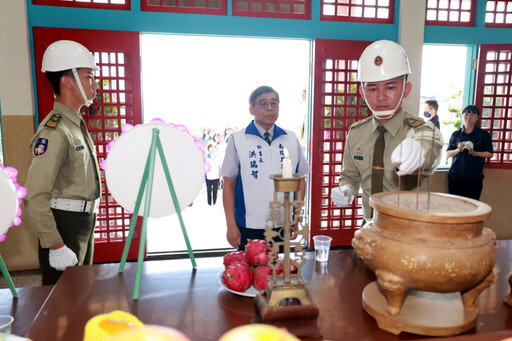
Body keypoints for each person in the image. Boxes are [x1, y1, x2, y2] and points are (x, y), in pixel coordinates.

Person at [330, 40, 443, 223]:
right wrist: (346, 189)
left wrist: (419, 151)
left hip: (410, 227)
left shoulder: (422, 130)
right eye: (372, 88)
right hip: (369, 225)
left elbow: (430, 145)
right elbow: (350, 176)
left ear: (406, 89)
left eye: (390, 87)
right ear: (362, 92)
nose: (381, 96)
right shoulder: (357, 132)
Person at [24, 40, 101, 285]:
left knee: (80, 296)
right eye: (89, 76)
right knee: (61, 302)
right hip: (64, 226)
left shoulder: (74, 124)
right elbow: (35, 195)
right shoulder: (54, 130)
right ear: (67, 81)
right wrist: (54, 244)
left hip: (82, 223)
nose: (94, 84)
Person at [221, 85, 310, 250]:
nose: (270, 107)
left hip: (282, 224)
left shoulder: (290, 138)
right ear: (251, 109)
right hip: (248, 224)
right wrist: (231, 225)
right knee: (250, 271)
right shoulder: (238, 140)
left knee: (279, 271)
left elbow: (301, 181)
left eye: (274, 103)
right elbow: (229, 184)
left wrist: (296, 218)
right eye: (263, 103)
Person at [446, 105, 493, 200]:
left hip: (474, 178)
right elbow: (447, 154)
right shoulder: (456, 134)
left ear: (477, 118)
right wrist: (458, 149)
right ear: (462, 116)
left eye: (472, 115)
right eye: (466, 114)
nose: (469, 117)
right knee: (455, 207)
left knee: (472, 208)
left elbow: (490, 154)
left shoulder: (483, 134)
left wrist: (475, 153)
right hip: (455, 176)